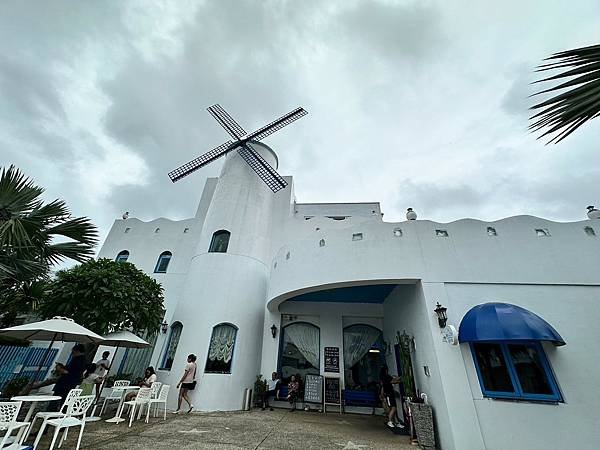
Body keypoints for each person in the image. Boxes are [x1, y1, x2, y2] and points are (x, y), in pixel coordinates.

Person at [51, 344, 87, 411]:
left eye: (73, 352)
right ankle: (62, 412)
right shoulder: (83, 360)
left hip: (65, 383)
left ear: (77, 351)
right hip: (72, 383)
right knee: (65, 400)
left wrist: (60, 369)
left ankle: (53, 411)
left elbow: (69, 372)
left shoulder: (77, 360)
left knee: (57, 399)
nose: (72, 354)